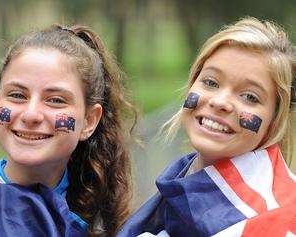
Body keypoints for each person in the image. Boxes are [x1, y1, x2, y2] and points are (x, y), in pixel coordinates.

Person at [116, 16, 296, 237]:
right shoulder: (183, 178)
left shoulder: (268, 225)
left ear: (274, 122)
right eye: (211, 82)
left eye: (250, 97)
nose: (220, 102)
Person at [0, 24, 136, 237]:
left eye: (55, 100)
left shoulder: (99, 226)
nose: (31, 114)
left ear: (89, 121)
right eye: (17, 95)